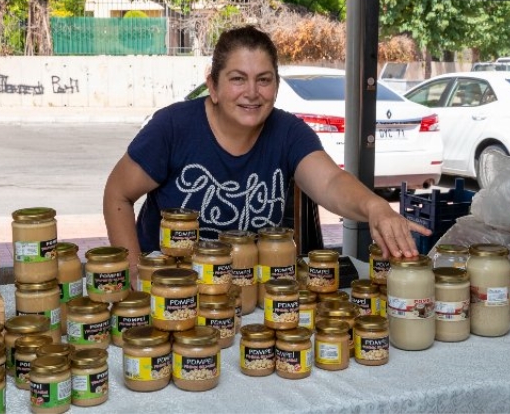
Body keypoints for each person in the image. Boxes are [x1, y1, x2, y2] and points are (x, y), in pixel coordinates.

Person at [103, 25, 430, 275]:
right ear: (213, 86)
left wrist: (377, 208)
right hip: (173, 289)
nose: (251, 93)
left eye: (263, 79)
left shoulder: (288, 132)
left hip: (249, 288)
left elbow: (330, 183)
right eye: (237, 79)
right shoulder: (173, 127)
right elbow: (117, 193)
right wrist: (133, 275)